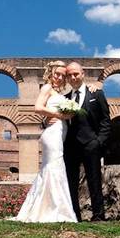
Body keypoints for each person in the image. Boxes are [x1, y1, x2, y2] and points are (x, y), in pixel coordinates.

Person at [14, 61, 80, 222]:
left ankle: (50, 207)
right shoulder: (46, 88)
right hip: (52, 133)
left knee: (53, 166)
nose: (59, 77)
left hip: (60, 131)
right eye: (57, 74)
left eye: (62, 75)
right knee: (54, 165)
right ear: (50, 73)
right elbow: (37, 107)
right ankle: (56, 209)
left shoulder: (60, 93)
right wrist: (59, 116)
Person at [63, 61, 111, 221]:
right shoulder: (65, 99)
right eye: (69, 75)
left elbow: (105, 120)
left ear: (82, 74)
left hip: (91, 144)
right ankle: (75, 216)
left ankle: (98, 215)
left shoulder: (96, 94)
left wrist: (99, 141)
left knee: (94, 181)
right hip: (71, 146)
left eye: (75, 74)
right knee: (71, 182)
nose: (73, 77)